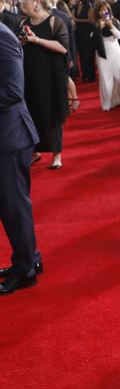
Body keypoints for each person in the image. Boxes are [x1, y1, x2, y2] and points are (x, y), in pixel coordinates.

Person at [0, 20, 42, 296]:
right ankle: (31, 258)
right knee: (11, 206)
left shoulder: (3, 39)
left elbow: (13, 91)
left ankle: (25, 269)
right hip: (8, 135)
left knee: (14, 207)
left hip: (10, 136)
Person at [17, 0, 69, 170]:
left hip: (51, 76)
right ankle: (35, 151)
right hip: (29, 74)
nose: (22, 2)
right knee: (31, 113)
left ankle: (57, 154)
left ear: (38, 2)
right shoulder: (23, 21)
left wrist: (37, 40)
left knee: (51, 113)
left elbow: (63, 47)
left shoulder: (55, 21)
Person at [90, 0, 120, 112]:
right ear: (97, 12)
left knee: (118, 76)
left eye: (105, 10)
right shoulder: (95, 23)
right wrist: (101, 27)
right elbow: (92, 38)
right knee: (104, 77)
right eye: (101, 10)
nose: (103, 12)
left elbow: (119, 36)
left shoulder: (115, 21)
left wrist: (111, 26)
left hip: (114, 50)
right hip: (102, 52)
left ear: (109, 10)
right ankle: (107, 103)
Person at [72, 0, 97, 82]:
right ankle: (84, 74)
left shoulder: (89, 7)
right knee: (81, 55)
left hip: (87, 32)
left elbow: (90, 20)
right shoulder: (75, 7)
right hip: (78, 33)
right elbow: (73, 18)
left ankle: (90, 75)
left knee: (88, 55)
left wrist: (77, 20)